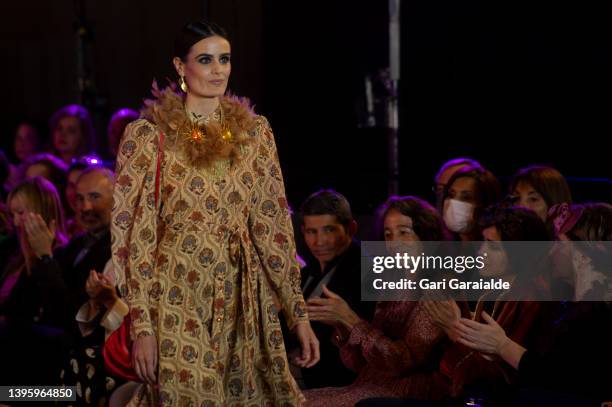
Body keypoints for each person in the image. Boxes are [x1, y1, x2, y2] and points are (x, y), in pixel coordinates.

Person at [111, 20, 318, 406]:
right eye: (205, 60)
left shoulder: (255, 133)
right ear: (179, 65)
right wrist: (142, 324)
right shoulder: (149, 136)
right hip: (174, 288)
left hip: (241, 291)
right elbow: (133, 235)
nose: (217, 69)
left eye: (224, 59)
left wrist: (298, 315)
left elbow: (272, 226)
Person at [454, 203, 612, 406]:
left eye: (559, 242)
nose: (552, 250)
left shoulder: (596, 313)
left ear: (582, 253)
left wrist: (502, 345)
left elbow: (560, 380)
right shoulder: (573, 306)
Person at [303, 196, 448, 406]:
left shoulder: (440, 287)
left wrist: (352, 321)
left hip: (403, 395)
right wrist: (342, 328)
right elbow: (359, 365)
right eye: (388, 235)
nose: (394, 243)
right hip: (364, 388)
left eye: (404, 233)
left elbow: (401, 362)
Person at [296, 189, 375, 389]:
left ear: (351, 229)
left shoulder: (370, 268)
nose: (319, 241)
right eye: (311, 232)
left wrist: (346, 321)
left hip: (346, 383)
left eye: (329, 230)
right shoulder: (308, 272)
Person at [0, 177, 70, 385]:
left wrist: (44, 256)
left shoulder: (61, 255)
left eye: (21, 213)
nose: (16, 222)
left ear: (42, 211)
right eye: (13, 214)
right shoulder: (15, 254)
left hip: (39, 375)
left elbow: (59, 312)